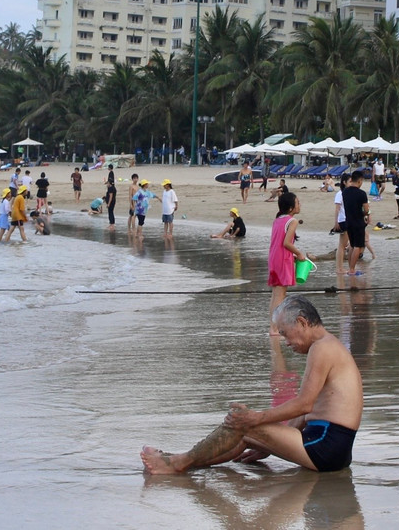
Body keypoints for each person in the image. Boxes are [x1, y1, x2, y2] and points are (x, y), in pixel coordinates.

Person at [140, 297, 362, 475]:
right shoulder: (326, 346)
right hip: (329, 445)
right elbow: (309, 412)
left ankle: (176, 463)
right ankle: (182, 461)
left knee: (243, 423)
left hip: (326, 446)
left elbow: (304, 405)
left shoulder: (322, 348)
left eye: (285, 333)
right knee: (246, 432)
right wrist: (272, 444)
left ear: (302, 322)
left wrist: (257, 418)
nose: (286, 342)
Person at [268, 192, 308, 335]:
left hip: (274, 258)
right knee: (280, 295)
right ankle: (274, 329)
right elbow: (286, 243)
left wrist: (293, 255)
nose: (300, 205)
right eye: (297, 202)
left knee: (275, 294)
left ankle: (273, 327)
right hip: (282, 260)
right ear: (291, 208)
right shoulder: (292, 221)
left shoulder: (277, 220)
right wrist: (299, 254)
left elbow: (279, 242)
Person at [341, 170, 370, 277]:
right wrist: (366, 214)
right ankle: (352, 270)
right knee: (358, 246)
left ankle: (350, 268)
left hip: (348, 221)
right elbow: (366, 210)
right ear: (360, 180)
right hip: (358, 222)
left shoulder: (345, 192)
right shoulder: (362, 194)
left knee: (352, 246)